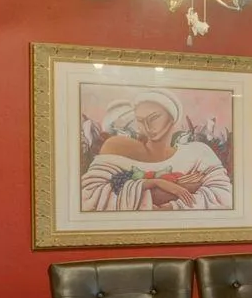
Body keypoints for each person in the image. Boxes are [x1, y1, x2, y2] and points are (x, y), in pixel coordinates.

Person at [80, 89, 234, 211]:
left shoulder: (198, 152)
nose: (147, 128)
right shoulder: (116, 147)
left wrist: (171, 207)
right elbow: (90, 196)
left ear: (172, 118)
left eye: (153, 118)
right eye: (140, 121)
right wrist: (155, 183)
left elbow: (224, 196)